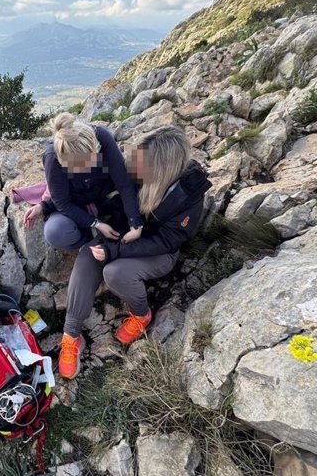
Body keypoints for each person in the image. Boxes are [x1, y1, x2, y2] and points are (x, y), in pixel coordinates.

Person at [58, 126, 211, 379]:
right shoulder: (136, 168)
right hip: (126, 234)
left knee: (115, 272)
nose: (132, 168)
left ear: (160, 170)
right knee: (89, 253)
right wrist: (48, 204)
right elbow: (90, 188)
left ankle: (142, 314)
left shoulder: (188, 192)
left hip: (160, 250)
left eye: (140, 165)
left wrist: (116, 251)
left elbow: (168, 240)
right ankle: (70, 334)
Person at [24, 112, 144, 250]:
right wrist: (95, 224)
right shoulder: (53, 157)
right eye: (79, 166)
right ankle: (89, 240)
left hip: (106, 193)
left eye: (91, 160)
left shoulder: (102, 138)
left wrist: (135, 223)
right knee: (55, 232)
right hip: (77, 203)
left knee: (142, 168)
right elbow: (63, 203)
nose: (87, 168)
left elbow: (123, 183)